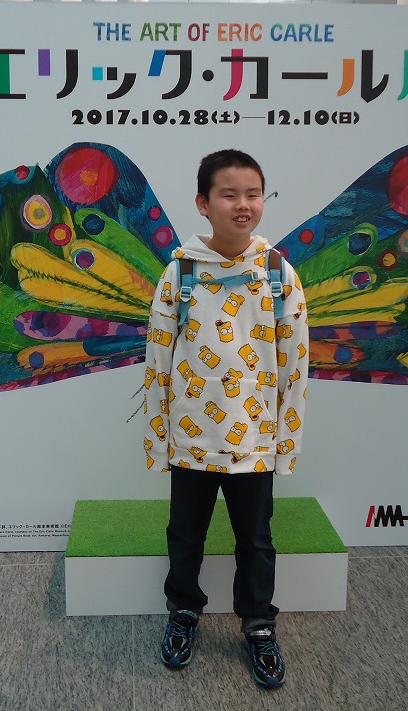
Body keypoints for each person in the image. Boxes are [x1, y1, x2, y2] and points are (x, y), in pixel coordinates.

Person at [142, 149, 309, 689]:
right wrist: (158, 440)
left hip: (255, 439)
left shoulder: (279, 274)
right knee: (184, 534)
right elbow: (158, 362)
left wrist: (286, 443)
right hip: (192, 436)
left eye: (253, 194)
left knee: (256, 539)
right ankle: (183, 612)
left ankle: (259, 624)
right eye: (229, 194)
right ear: (203, 203)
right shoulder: (181, 273)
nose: (243, 205)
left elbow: (295, 367)